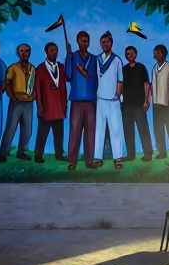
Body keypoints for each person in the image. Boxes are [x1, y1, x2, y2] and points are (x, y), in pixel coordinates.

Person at [65, 30, 99, 170]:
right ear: (77, 41)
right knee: (74, 131)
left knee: (91, 132)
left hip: (91, 100)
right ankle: (72, 161)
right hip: (77, 100)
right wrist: (68, 57)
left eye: (87, 40)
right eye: (82, 40)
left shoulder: (94, 58)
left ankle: (89, 161)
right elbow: (68, 75)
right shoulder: (72, 57)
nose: (85, 43)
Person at [0, 43, 36, 161]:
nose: (24, 53)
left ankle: (22, 152)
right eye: (22, 51)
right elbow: (7, 84)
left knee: (27, 129)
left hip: (28, 102)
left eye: (27, 51)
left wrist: (34, 96)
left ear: (30, 52)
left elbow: (37, 86)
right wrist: (12, 97)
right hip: (16, 102)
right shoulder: (12, 68)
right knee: (11, 127)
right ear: (18, 53)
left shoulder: (33, 69)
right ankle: (4, 152)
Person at [93, 31, 123, 169]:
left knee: (115, 129)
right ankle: (98, 157)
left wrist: (117, 95)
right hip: (100, 99)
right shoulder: (97, 60)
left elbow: (120, 80)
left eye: (107, 41)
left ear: (111, 43)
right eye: (102, 42)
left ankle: (118, 158)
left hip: (113, 100)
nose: (104, 44)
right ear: (100, 44)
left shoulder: (117, 60)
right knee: (99, 129)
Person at [34, 41, 68, 163]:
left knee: (59, 133)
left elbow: (66, 83)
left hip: (59, 105)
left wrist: (65, 104)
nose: (54, 52)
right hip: (46, 106)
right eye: (52, 50)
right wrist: (39, 105)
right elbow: (37, 87)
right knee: (42, 133)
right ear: (46, 52)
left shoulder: (62, 67)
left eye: (56, 50)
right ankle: (38, 155)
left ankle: (59, 154)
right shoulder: (41, 68)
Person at [121, 44, 152, 161]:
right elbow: (121, 86)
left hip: (140, 104)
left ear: (136, 54)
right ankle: (130, 155)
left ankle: (148, 154)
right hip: (127, 105)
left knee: (143, 129)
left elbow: (147, 85)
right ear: (126, 56)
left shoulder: (141, 67)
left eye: (132, 53)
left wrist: (147, 101)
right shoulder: (123, 69)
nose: (130, 55)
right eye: (128, 54)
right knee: (128, 130)